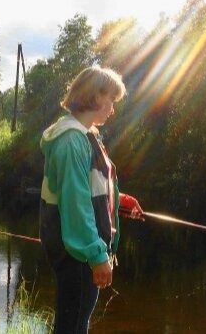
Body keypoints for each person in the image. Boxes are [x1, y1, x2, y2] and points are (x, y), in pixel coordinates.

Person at [39, 66, 144, 333]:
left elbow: (91, 185)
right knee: (73, 324)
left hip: (80, 248)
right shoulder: (72, 140)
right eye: (111, 100)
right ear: (95, 96)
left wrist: (121, 200)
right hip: (79, 250)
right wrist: (96, 254)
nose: (112, 109)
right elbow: (75, 202)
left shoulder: (85, 135)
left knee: (76, 320)